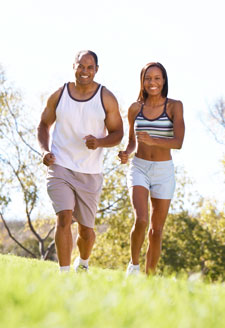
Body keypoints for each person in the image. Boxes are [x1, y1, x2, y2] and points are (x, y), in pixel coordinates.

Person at [37, 50, 123, 273]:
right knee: (64, 217)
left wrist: (100, 142)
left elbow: (118, 133)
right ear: (73, 66)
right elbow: (43, 125)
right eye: (81, 66)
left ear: (96, 70)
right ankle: (64, 274)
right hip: (60, 165)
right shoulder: (59, 95)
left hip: (90, 172)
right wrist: (45, 150)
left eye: (90, 67)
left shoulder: (106, 98)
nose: (85, 71)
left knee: (86, 232)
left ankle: (82, 263)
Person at [118, 62, 185, 276]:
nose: (152, 82)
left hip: (164, 171)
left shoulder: (174, 106)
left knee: (156, 231)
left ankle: (150, 278)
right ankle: (134, 266)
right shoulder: (135, 108)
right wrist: (126, 153)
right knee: (141, 219)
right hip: (139, 167)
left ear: (164, 81)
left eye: (157, 78)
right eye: (148, 78)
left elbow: (178, 142)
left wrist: (153, 140)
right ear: (142, 81)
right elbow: (131, 141)